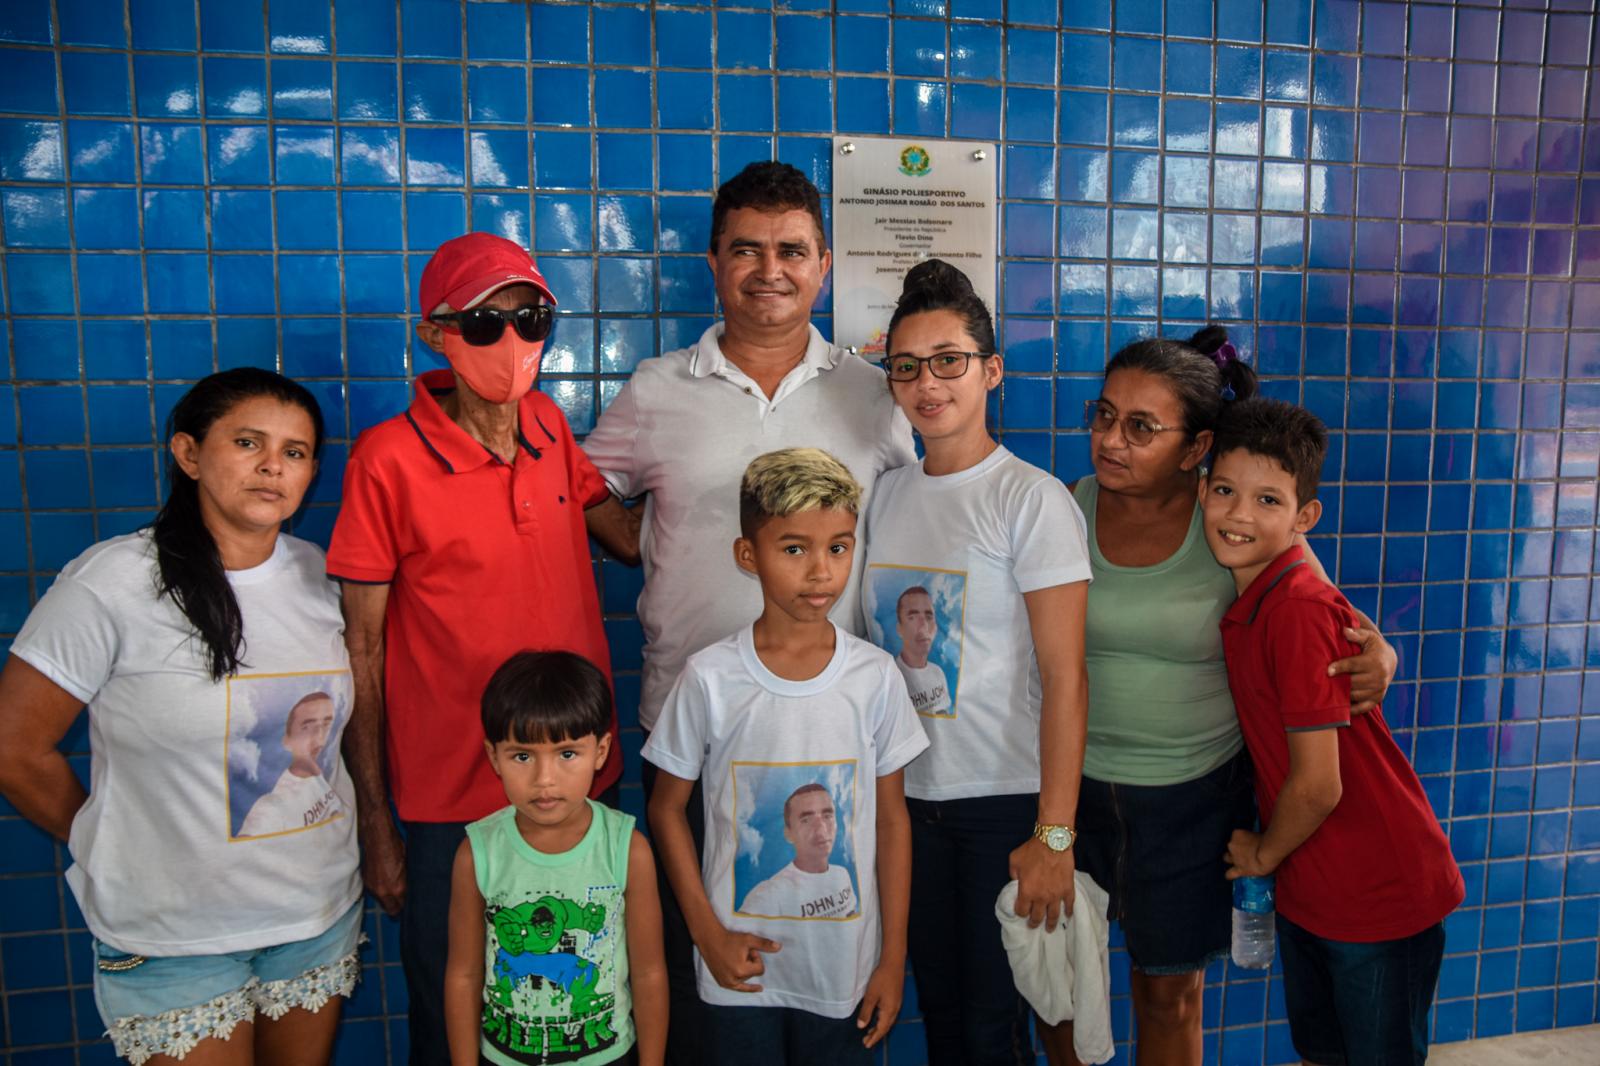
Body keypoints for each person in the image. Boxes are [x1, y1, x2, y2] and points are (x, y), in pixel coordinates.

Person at [580, 160, 916, 1064]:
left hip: (834, 744)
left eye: (793, 250)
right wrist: (643, 545)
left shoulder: (873, 392)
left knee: (824, 998)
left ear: (826, 263)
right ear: (714, 261)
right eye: (747, 250)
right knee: (716, 1011)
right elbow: (583, 491)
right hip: (691, 739)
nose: (771, 269)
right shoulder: (656, 388)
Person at [0, 369, 361, 1065]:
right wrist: (105, 840)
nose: (271, 467)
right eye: (248, 442)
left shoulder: (324, 577)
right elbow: (15, 747)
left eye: (294, 452)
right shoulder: (112, 582)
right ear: (189, 454)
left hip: (314, 915)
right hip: (173, 935)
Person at [1065, 328, 1397, 1066]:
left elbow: (1325, 607)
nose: (1112, 440)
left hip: (1194, 797)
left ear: (1195, 449)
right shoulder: (1066, 508)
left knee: (1167, 994)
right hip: (1074, 790)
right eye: (1105, 415)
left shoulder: (1227, 521)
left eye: (1141, 427)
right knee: (1062, 990)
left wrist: (1383, 652)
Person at [327, 232, 620, 1064]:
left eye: (530, 320)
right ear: (435, 333)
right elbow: (363, 651)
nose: (513, 344)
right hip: (449, 805)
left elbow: (624, 532)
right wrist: (376, 822)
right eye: (484, 325)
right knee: (457, 1021)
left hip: (577, 782)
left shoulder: (550, 427)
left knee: (575, 1014)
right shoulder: (387, 460)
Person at [859, 260, 1092, 1066]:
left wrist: (1053, 835)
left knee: (996, 1029)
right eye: (907, 366)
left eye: (950, 360)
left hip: (1002, 806)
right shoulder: (885, 494)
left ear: (990, 370)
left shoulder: (1030, 499)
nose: (929, 383)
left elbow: (1067, 678)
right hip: (907, 806)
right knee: (948, 1019)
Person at [643, 448, 928, 1065]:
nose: (821, 571)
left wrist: (892, 956)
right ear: (749, 556)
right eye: (794, 549)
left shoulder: (876, 677)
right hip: (737, 976)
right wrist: (705, 933)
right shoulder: (710, 678)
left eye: (839, 547)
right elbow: (666, 810)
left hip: (843, 977)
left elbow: (892, 820)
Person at [1201, 398, 1463, 1065]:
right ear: (1202, 489)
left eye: (1267, 500)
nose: (1238, 514)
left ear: (1303, 518)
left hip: (1377, 889)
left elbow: (1318, 786)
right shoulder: (1272, 588)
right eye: (1225, 491)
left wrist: (1261, 855)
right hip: (1316, 886)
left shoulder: (1294, 607)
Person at [444, 650, 667, 1066]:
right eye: (522, 756)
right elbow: (463, 975)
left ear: (600, 752)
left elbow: (650, 971)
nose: (544, 780)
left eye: (567, 754)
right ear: (494, 757)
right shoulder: (477, 853)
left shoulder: (627, 849)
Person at [739, 784, 857, 919]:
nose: (821, 829)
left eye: (827, 816)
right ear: (788, 834)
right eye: (806, 820)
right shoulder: (770, 894)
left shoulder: (842, 875)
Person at [238, 691, 345, 838]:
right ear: (287, 740)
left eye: (327, 725)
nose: (320, 739)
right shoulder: (270, 810)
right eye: (306, 728)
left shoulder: (324, 779)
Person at [890, 588, 951, 717]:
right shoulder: (890, 677)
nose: (923, 626)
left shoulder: (938, 673)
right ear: (899, 629)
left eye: (929, 617)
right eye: (912, 617)